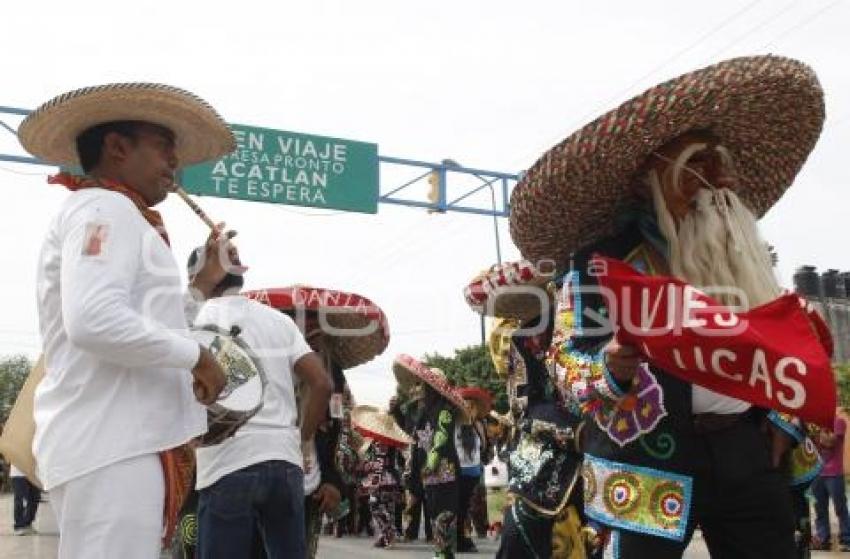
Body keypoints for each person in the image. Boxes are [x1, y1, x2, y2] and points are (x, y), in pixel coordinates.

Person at [509, 55, 826, 558]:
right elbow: (564, 364)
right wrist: (609, 369)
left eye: (723, 162)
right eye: (698, 162)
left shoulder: (748, 259)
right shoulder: (599, 263)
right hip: (645, 461)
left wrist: (785, 423)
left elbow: (787, 341)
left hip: (747, 452)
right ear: (647, 180)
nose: (719, 177)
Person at [21, 83, 233, 558]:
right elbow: (94, 319)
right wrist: (198, 356)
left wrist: (200, 286)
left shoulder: (116, 213)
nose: (175, 163)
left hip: (117, 442)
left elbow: (145, 324)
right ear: (117, 147)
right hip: (113, 444)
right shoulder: (107, 209)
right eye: (164, 147)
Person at [188, 259, 333, 559]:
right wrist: (302, 441)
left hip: (227, 463)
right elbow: (322, 384)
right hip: (284, 461)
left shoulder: (193, 318)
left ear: (198, 275)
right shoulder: (279, 321)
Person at [394, 354, 466, 559]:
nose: (420, 389)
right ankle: (440, 552)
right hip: (429, 475)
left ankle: (445, 555)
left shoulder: (445, 410)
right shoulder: (423, 412)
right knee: (435, 517)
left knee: (445, 516)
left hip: (445, 472)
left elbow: (441, 439)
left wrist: (431, 463)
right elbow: (414, 439)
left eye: (423, 385)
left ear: (433, 388)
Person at [351, 405, 411, 549]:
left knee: (376, 505)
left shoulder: (384, 441)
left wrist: (368, 465)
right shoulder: (379, 440)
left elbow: (380, 461)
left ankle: (389, 534)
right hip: (387, 476)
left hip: (383, 476)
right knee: (386, 507)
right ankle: (384, 536)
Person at [812, 411, 850, 551]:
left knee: (840, 507)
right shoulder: (814, 421)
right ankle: (823, 538)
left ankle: (847, 538)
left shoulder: (839, 421)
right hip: (816, 472)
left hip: (834, 472)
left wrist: (816, 431)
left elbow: (829, 442)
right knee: (819, 508)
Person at [10, 464, 40, 535]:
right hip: (18, 473)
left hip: (34, 473)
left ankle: (27, 523)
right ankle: (19, 525)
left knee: (34, 498)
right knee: (20, 499)